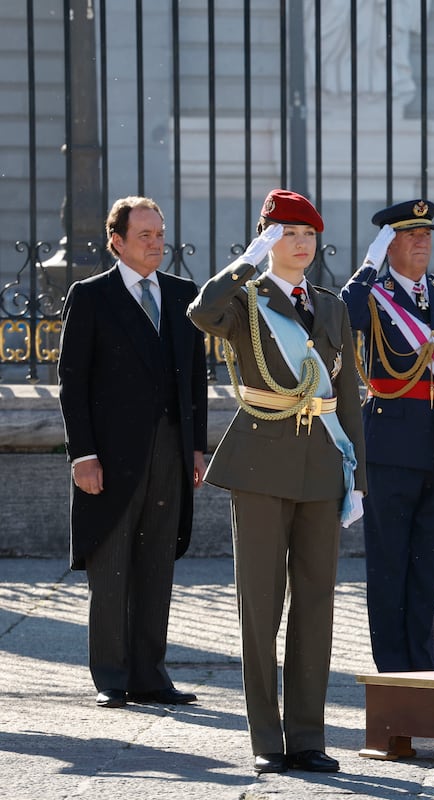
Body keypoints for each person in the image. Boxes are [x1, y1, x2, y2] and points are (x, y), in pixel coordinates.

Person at [187, 189, 366, 774]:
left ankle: (307, 736)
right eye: (288, 233)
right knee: (261, 606)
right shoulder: (245, 298)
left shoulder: (332, 306)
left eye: (308, 234)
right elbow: (201, 314)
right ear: (267, 238)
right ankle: (267, 738)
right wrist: (245, 262)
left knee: (316, 602)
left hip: (322, 462)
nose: (300, 244)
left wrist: (356, 475)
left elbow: (348, 398)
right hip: (261, 462)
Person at [58, 195, 207, 709]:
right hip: (110, 456)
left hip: (170, 450)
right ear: (116, 241)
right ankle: (112, 675)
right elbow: (71, 383)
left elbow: (194, 383)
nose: (156, 243)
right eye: (144, 235)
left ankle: (151, 674)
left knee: (156, 562)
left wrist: (196, 448)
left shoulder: (184, 294)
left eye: (160, 233)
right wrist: (83, 455)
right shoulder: (92, 296)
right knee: (113, 564)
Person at [340, 199, 434, 673]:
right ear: (389, 243)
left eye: (426, 233)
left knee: (426, 566)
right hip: (391, 444)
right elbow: (344, 317)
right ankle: (393, 672)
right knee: (388, 564)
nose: (422, 241)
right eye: (409, 234)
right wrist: (368, 264)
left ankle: (424, 667)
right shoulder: (373, 294)